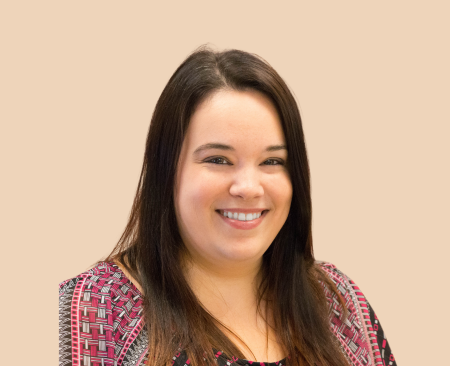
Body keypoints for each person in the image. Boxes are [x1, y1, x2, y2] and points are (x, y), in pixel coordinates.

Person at [59, 45, 397, 366]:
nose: (248, 188)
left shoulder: (339, 302)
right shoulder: (96, 308)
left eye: (272, 161)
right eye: (218, 159)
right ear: (167, 170)